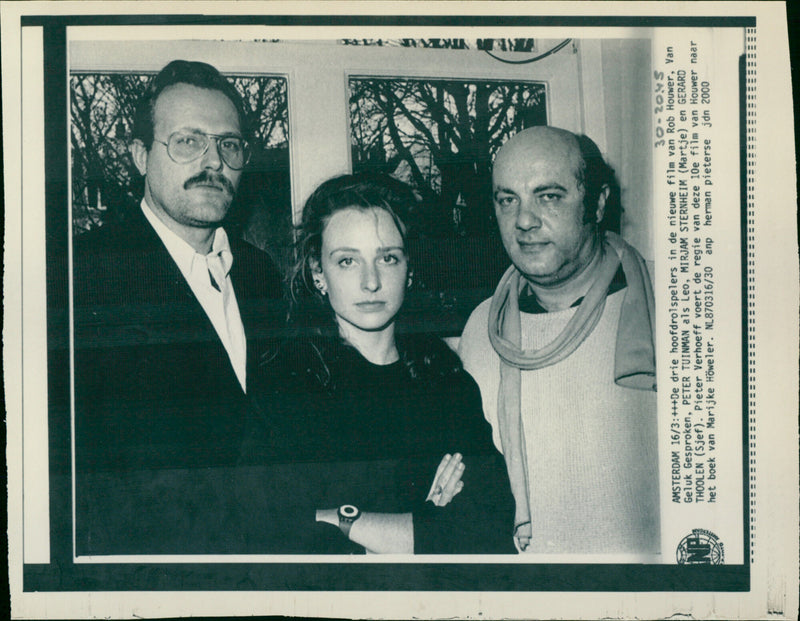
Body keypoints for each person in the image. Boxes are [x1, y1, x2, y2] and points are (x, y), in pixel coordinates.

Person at [238, 172, 516, 554]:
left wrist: (342, 519)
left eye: (387, 258)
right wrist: (427, 521)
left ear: (410, 267)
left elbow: (491, 528)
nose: (371, 282)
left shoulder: (447, 385)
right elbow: (271, 535)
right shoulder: (283, 389)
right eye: (347, 261)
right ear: (318, 273)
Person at [72, 60, 283, 554]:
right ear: (140, 156)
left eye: (228, 144)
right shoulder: (82, 277)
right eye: (188, 141)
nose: (214, 162)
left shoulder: (261, 275)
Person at [459, 126, 660, 555]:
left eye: (548, 196)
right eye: (507, 199)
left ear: (598, 202)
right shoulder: (481, 329)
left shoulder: (670, 305)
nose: (524, 221)